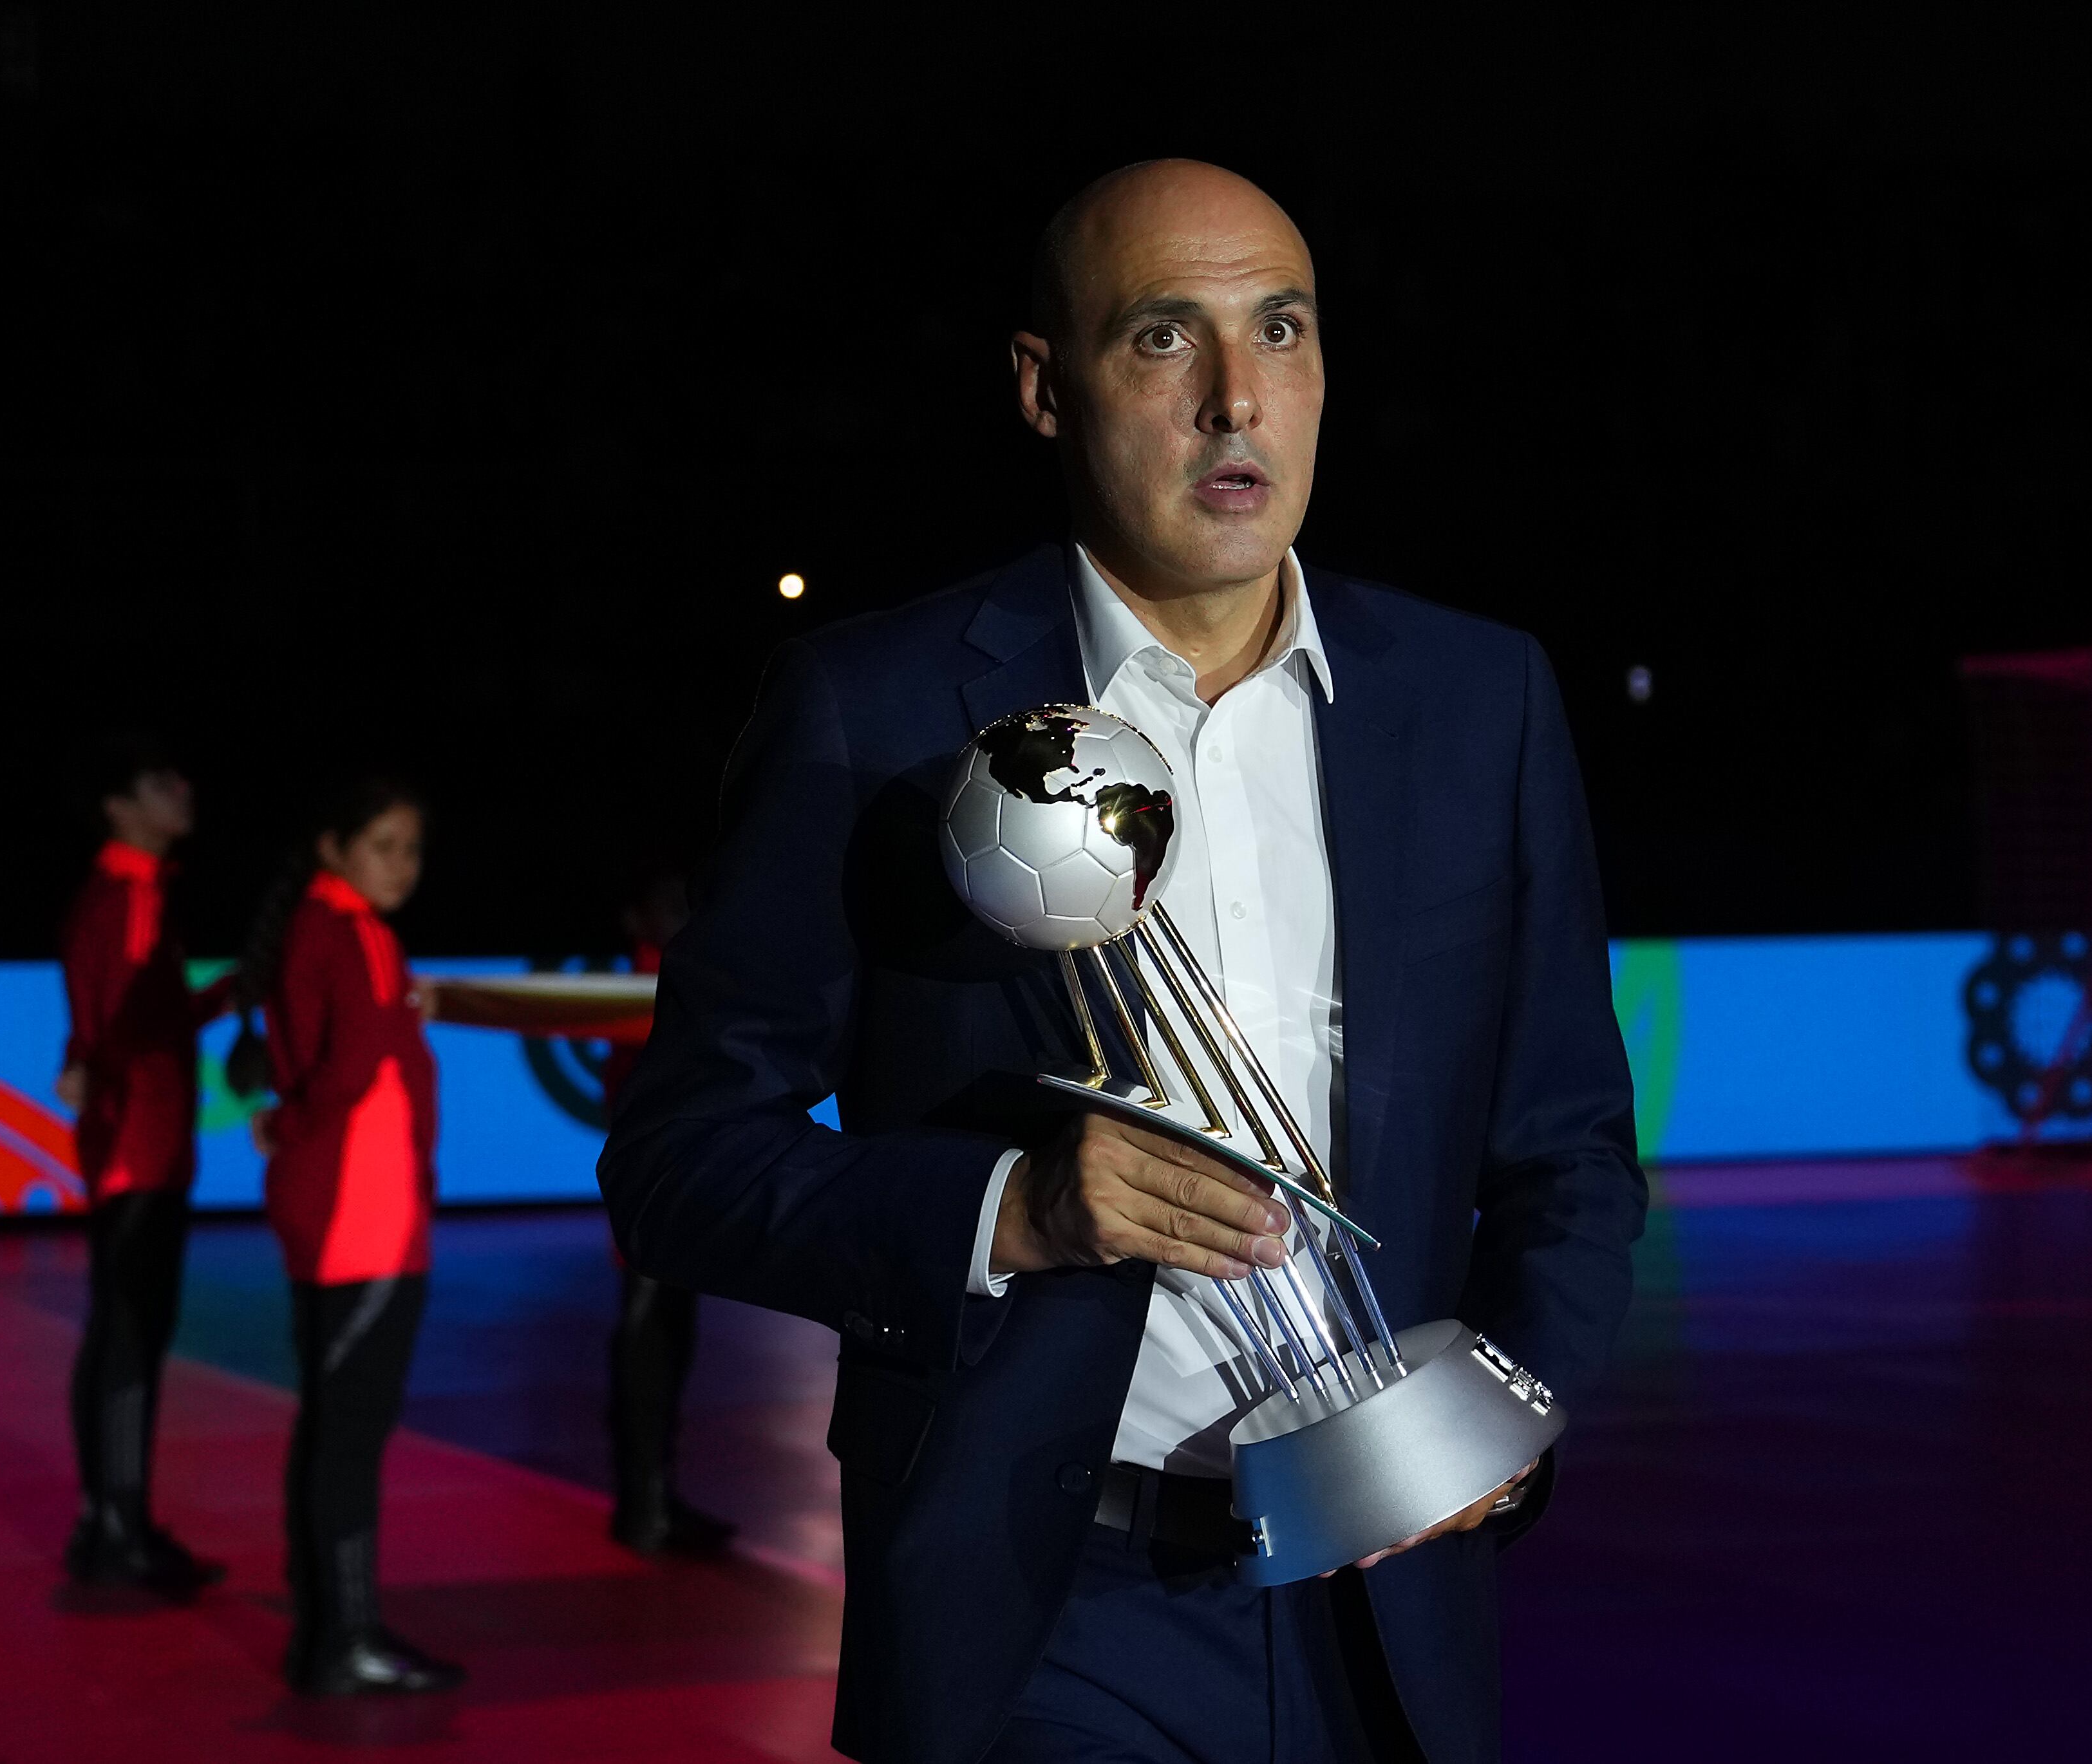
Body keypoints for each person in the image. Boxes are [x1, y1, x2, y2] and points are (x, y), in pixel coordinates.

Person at [601, 160, 1646, 1764]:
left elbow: (1567, 1142)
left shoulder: (1478, 701)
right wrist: (1009, 1210)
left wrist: (1509, 1413)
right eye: (1167, 338)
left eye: (1280, 331)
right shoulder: (874, 716)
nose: (1238, 398)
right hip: (1050, 1608)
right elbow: (678, 1158)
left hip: (1387, 1601)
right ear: (1044, 386)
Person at [227, 777, 465, 1698]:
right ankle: (344, 1637)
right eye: (385, 846)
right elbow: (350, 1067)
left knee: (334, 1426)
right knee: (350, 1435)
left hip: (350, 1215)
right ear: (334, 848)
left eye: (411, 849)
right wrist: (290, 1129)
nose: (401, 866)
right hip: (358, 1223)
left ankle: (329, 1626)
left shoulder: (334, 928)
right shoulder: (352, 932)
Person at [57, 735, 233, 1595]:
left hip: (132, 1141)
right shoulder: (130, 896)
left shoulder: (122, 892)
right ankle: (118, 1528)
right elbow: (127, 1026)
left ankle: (111, 1520)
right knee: (130, 1336)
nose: (181, 790)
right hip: (141, 1148)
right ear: (120, 807)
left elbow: (112, 1022)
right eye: (161, 782)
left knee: (119, 1335)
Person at [601, 866, 737, 1557]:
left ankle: (654, 1498)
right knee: (649, 1347)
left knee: (663, 1345)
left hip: (671, 1198)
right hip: (656, 1205)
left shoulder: (671, 979)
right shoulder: (650, 983)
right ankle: (646, 1506)